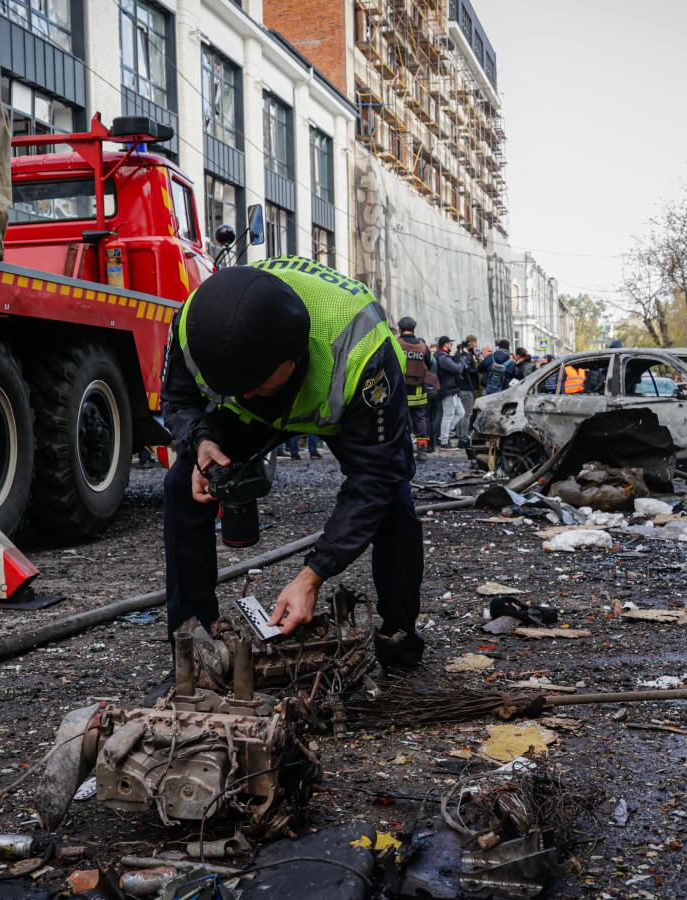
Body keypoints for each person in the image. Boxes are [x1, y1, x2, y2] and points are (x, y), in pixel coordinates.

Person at [159, 258, 425, 668]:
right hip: (256, 413)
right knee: (184, 486)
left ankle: (399, 640)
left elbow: (375, 476)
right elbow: (178, 399)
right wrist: (202, 441)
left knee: (394, 504)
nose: (247, 395)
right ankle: (193, 651)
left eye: (257, 385)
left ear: (293, 355)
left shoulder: (362, 351)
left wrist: (313, 574)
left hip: (345, 408)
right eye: (235, 388)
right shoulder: (197, 326)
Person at [396, 317, 432, 454]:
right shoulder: (423, 346)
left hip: (400, 390)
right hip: (418, 390)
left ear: (400, 328)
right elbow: (429, 364)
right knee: (419, 419)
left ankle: (402, 449)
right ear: (414, 328)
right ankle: (422, 449)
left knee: (400, 418)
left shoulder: (396, 343)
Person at [433, 337, 466, 449]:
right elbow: (457, 368)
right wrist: (462, 360)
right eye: (450, 343)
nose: (451, 345)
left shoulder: (442, 356)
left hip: (452, 389)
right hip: (448, 389)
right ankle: (444, 441)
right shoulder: (442, 357)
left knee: (461, 412)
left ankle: (444, 434)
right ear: (445, 344)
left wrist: (458, 355)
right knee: (448, 415)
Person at [453, 335, 479, 446]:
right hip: (467, 387)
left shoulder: (457, 354)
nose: (476, 346)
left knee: (460, 413)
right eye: (475, 343)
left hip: (459, 387)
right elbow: (468, 370)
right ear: (471, 343)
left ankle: (460, 435)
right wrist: (475, 368)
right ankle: (463, 438)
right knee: (467, 413)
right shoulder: (467, 356)